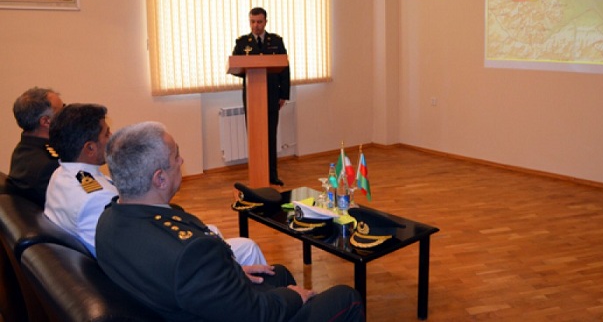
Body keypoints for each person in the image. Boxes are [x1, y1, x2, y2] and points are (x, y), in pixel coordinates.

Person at [96, 122, 364, 322]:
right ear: (160, 179)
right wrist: (294, 296)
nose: (182, 161)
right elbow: (255, 314)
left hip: (186, 304)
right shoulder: (191, 254)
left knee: (277, 273)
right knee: (345, 296)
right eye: (176, 156)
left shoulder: (109, 220)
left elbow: (189, 282)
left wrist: (227, 276)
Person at [45, 104, 266, 265]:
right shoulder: (95, 198)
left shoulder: (61, 175)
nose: (111, 137)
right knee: (247, 248)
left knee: (214, 232)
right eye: (106, 133)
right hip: (153, 273)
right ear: (89, 148)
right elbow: (136, 251)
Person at [232, 7, 290, 186]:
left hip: (272, 95)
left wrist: (284, 95)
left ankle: (272, 175)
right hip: (252, 96)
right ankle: (257, 175)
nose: (256, 25)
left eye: (259, 21)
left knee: (270, 137)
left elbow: (285, 69)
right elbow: (235, 67)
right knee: (255, 138)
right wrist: (251, 72)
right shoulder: (242, 43)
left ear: (265, 22)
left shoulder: (276, 41)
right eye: (252, 22)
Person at [6, 87, 64, 206]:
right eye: (62, 111)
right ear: (46, 122)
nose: (66, 115)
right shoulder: (48, 164)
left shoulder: (23, 150)